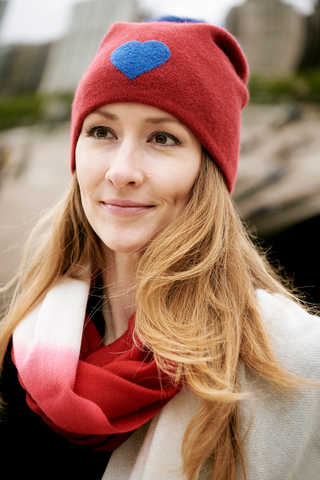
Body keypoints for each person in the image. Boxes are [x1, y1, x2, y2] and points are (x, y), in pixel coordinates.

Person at [0, 17, 319, 480]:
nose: (121, 170)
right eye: (101, 132)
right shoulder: (24, 344)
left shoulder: (295, 363)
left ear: (208, 170)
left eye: (163, 138)